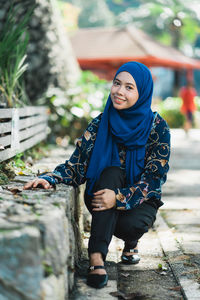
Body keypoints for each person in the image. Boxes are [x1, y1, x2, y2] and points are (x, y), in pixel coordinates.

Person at [24, 61, 171, 289]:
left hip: (138, 202)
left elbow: (154, 180)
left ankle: (131, 241)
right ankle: (96, 258)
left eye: (129, 87)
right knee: (111, 172)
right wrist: (50, 178)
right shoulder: (101, 123)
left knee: (131, 224)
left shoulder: (157, 127)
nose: (119, 91)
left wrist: (119, 197)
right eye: (117, 84)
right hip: (101, 196)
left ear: (142, 93)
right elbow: (77, 164)